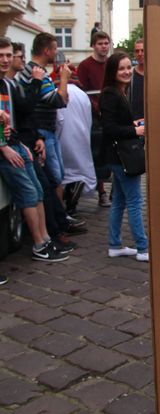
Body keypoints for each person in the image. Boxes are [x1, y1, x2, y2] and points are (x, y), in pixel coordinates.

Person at [0, 38, 69, 262]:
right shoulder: (19, 80)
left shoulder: (7, 84)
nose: (6, 60)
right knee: (30, 193)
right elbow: (51, 101)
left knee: (39, 190)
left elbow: (21, 116)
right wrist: (4, 147)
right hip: (6, 150)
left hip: (17, 143)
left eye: (9, 55)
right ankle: (39, 244)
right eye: (2, 56)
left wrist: (22, 143)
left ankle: (46, 239)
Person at [99, 51, 148, 262]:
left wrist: (133, 124)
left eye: (129, 67)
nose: (127, 71)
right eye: (122, 68)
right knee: (135, 202)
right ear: (113, 71)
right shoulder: (111, 94)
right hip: (121, 157)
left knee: (119, 201)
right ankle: (143, 248)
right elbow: (109, 128)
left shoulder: (118, 91)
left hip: (118, 156)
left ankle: (115, 245)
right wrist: (135, 130)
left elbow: (116, 124)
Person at [18, 32, 71, 189]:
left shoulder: (40, 71)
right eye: (54, 49)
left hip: (48, 129)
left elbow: (62, 100)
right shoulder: (35, 71)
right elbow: (58, 101)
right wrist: (64, 79)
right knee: (55, 176)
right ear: (46, 51)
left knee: (59, 174)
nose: (56, 52)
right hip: (42, 130)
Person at [55, 66, 96, 212]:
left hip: (63, 136)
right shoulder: (83, 95)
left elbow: (58, 119)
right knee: (79, 170)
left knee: (65, 174)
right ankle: (72, 204)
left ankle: (66, 205)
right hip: (81, 135)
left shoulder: (58, 93)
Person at [78, 30, 111, 206]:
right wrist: (96, 107)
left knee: (115, 152)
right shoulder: (85, 66)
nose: (104, 47)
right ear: (93, 46)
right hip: (94, 118)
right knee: (97, 154)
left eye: (106, 43)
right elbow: (81, 92)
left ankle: (116, 190)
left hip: (111, 113)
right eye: (100, 44)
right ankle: (101, 192)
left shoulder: (111, 63)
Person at [128, 37, 144, 121]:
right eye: (137, 51)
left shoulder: (154, 74)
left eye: (143, 50)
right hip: (134, 121)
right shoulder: (129, 74)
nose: (140, 54)